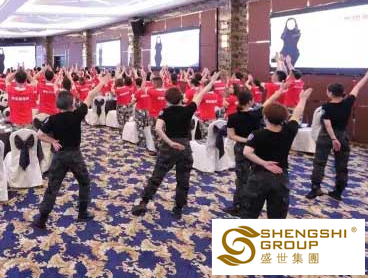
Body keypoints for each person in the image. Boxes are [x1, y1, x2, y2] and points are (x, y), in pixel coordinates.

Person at [131, 72, 220, 220]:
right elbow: (201, 94)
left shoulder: (165, 112)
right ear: (181, 99)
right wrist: (211, 82)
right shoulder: (188, 109)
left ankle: (143, 203)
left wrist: (170, 142)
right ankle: (178, 208)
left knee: (157, 176)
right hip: (184, 147)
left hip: (169, 147)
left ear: (167, 100)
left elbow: (158, 129)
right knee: (183, 178)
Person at [32, 74, 111, 230]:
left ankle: (42, 219)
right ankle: (82, 213)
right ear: (72, 103)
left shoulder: (52, 119)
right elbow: (90, 95)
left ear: (58, 104)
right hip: (75, 155)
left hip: (59, 156)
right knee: (84, 182)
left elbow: (39, 134)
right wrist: (102, 83)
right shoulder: (77, 115)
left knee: (52, 187)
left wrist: (53, 141)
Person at [240, 87, 312, 219]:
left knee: (249, 214)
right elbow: (297, 114)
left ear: (265, 118)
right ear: (284, 118)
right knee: (277, 216)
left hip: (258, 176)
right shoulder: (289, 131)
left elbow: (247, 152)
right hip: (280, 176)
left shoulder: (257, 134)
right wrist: (303, 99)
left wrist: (264, 163)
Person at [306, 71, 368, 201]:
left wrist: (333, 139)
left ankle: (315, 188)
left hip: (326, 136)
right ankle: (338, 192)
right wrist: (366, 76)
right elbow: (357, 87)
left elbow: (328, 125)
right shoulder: (348, 103)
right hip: (342, 135)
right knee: (341, 165)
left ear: (330, 93)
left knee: (319, 163)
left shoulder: (326, 107)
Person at [224, 87, 283, 216]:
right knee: (255, 177)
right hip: (256, 148)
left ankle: (238, 206)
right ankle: (250, 205)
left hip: (241, 148)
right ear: (250, 101)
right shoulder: (257, 114)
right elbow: (270, 100)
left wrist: (246, 140)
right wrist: (280, 90)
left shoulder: (232, 117)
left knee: (241, 179)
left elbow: (231, 136)